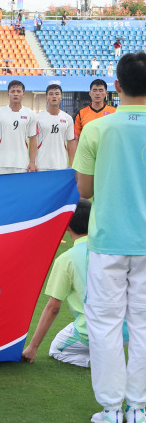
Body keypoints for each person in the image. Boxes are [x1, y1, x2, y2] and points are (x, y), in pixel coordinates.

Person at [73, 51, 146, 423]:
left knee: (104, 324)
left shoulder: (97, 128)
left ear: (116, 88)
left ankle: (111, 409)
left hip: (108, 240)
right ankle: (139, 408)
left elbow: (84, 189)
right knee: (144, 324)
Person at [21, 200, 128, 368]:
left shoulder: (66, 259)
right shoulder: (115, 249)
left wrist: (33, 347)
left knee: (57, 349)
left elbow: (53, 307)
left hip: (95, 332)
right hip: (128, 331)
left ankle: (100, 364)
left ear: (67, 226)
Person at [0, 80, 38, 174]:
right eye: (12, 91)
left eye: (18, 91)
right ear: (8, 94)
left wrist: (32, 162)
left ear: (23, 94)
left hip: (22, 163)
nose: (15, 94)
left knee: (20, 189)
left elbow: (33, 139)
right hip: (2, 163)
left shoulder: (31, 114)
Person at [34, 84, 76, 171]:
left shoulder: (67, 118)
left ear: (61, 97)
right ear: (46, 97)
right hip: (41, 164)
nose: (54, 96)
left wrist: (71, 163)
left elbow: (71, 141)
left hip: (60, 164)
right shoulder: (37, 118)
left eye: (57, 94)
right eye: (51, 94)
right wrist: (32, 162)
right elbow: (32, 141)